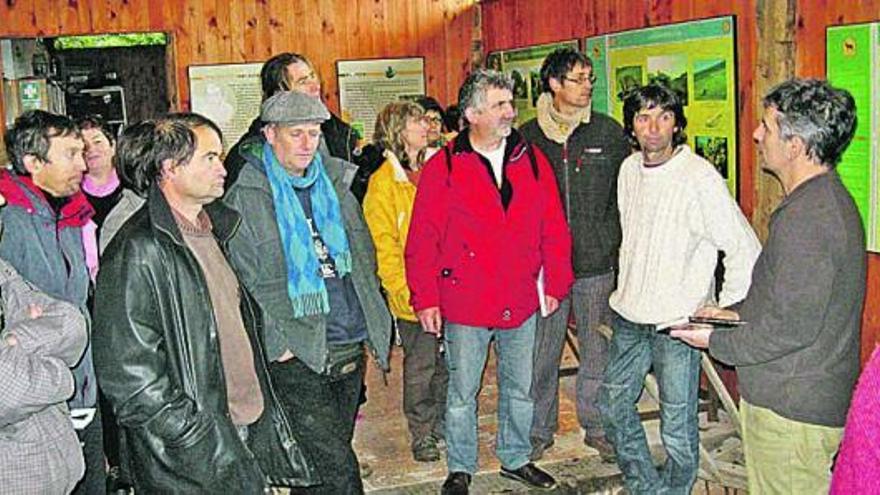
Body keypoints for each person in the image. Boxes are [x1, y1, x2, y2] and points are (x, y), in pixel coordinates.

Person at [92, 115, 316, 493]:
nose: (221, 168)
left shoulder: (217, 229)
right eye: (209, 158)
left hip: (241, 424)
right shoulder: (138, 249)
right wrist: (192, 434)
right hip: (194, 449)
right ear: (170, 168)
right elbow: (128, 375)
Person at [671, 78, 864, 494]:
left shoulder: (809, 219)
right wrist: (733, 313)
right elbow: (786, 299)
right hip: (795, 402)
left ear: (795, 145)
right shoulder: (818, 201)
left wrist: (713, 341)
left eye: (767, 126)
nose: (757, 134)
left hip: (792, 414)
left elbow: (790, 328)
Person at [405, 69, 574, 494]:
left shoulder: (532, 160)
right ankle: (460, 466)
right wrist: (426, 298)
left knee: (521, 386)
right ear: (472, 113)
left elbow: (554, 226)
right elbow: (422, 238)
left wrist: (555, 282)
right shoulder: (443, 167)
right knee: (462, 390)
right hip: (466, 299)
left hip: (520, 296)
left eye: (509, 103)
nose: (509, 112)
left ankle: (515, 458)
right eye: (499, 105)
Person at [224, 91, 392, 495]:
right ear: (269, 135)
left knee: (318, 464)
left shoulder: (337, 182)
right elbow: (242, 284)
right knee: (338, 472)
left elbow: (364, 258)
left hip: (347, 340)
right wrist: (278, 344)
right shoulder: (246, 198)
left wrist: (374, 322)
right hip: (298, 349)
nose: (306, 144)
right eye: (295, 133)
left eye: (314, 133)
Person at [598, 83, 761, 495]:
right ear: (631, 127)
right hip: (630, 315)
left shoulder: (698, 176)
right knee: (614, 406)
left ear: (677, 124)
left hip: (676, 323)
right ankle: (645, 487)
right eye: (643, 117)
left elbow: (743, 246)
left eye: (664, 117)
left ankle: (675, 491)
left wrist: (721, 311)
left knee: (677, 425)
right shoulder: (628, 170)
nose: (653, 128)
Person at [519, 46, 631, 462]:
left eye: (590, 79)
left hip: (596, 264)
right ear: (553, 83)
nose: (587, 87)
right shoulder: (527, 138)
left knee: (598, 349)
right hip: (544, 269)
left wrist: (612, 243)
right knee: (541, 353)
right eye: (578, 79)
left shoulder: (608, 132)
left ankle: (598, 426)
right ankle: (537, 429)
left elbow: (624, 197)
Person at [0, 110, 106, 495]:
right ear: (33, 163)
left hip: (81, 385)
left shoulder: (72, 213)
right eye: (70, 154)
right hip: (31, 406)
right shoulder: (7, 221)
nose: (83, 163)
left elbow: (74, 310)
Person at [363, 101, 445, 463]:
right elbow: (385, 248)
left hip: (452, 288)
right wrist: (404, 293)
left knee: (450, 364)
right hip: (416, 295)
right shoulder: (383, 184)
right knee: (421, 367)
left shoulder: (440, 169)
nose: (426, 125)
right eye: (416, 121)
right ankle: (423, 432)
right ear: (398, 130)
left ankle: (445, 423)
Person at [0, 192, 88, 494]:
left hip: (54, 475)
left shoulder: (1, 270)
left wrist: (13, 341)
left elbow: (72, 323)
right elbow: (6, 390)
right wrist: (61, 375)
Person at [225, 52, 384, 202]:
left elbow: (350, 197)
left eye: (312, 76)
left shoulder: (340, 135)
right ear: (280, 94)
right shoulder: (248, 155)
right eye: (302, 81)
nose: (315, 86)